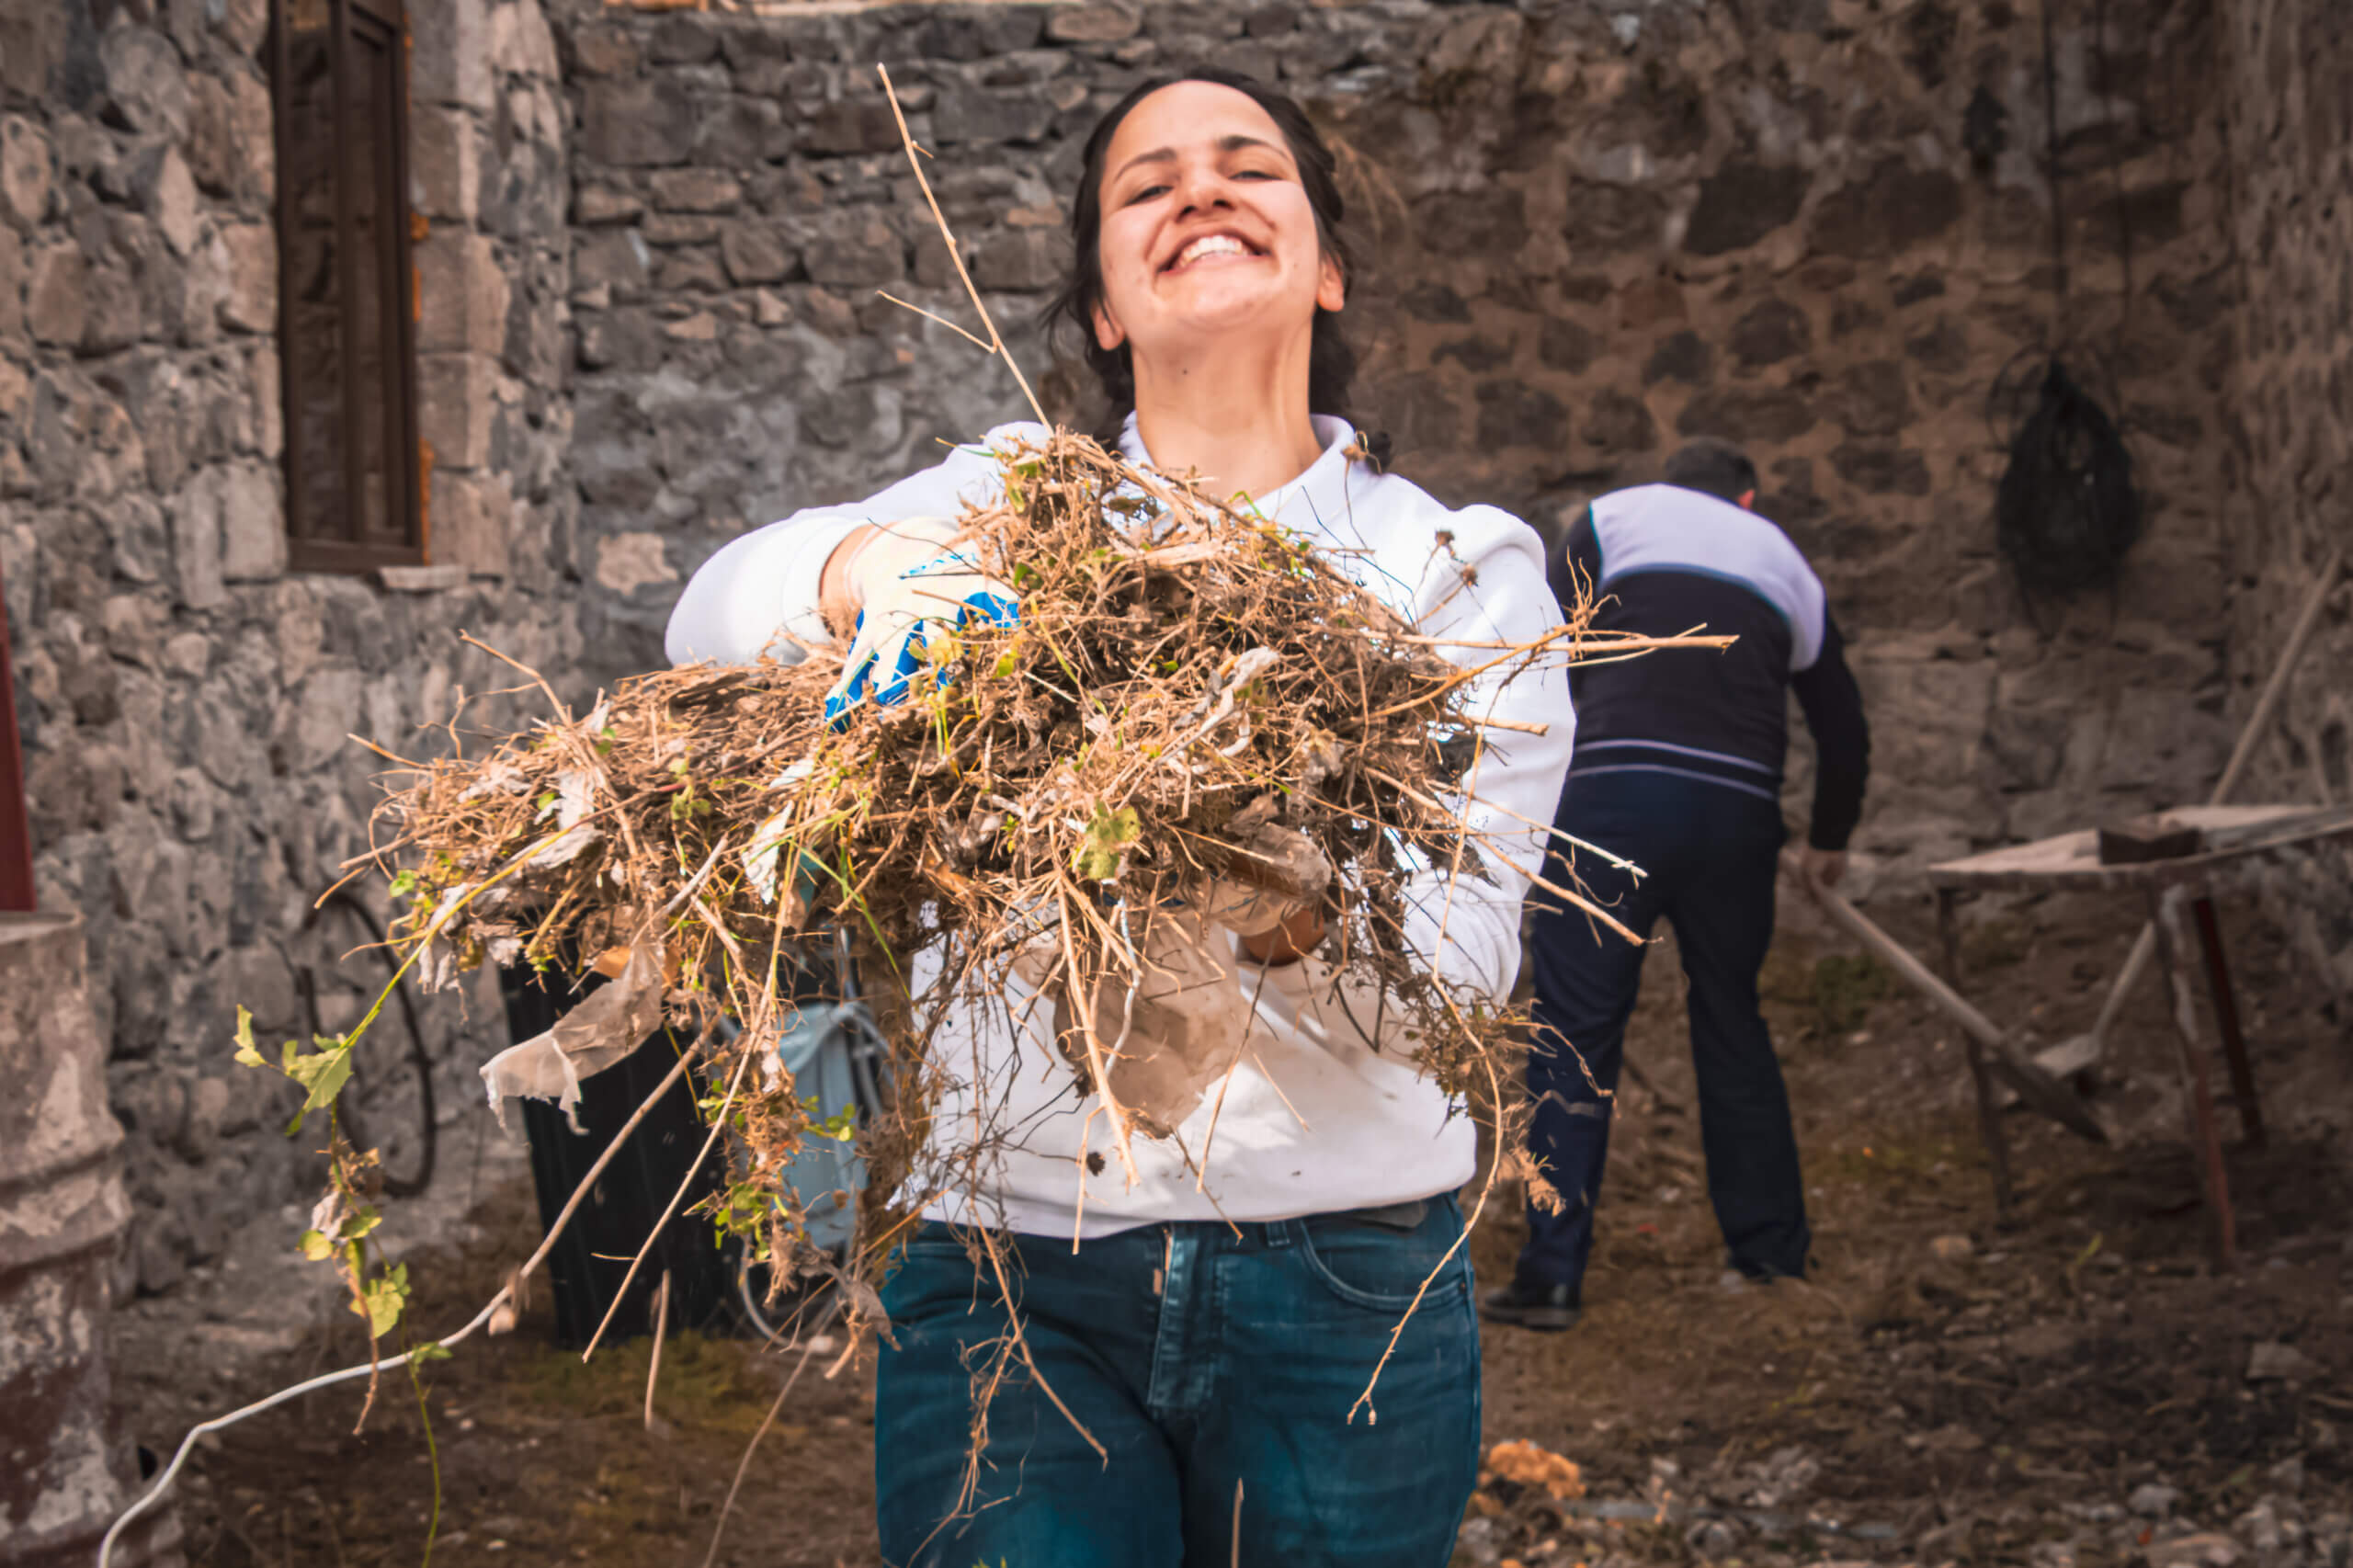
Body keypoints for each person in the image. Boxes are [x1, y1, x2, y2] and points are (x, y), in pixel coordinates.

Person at [662, 71, 1573, 1567]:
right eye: (1145, 186)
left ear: (1327, 265)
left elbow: (1450, 982)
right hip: (1011, 1267)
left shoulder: (1455, 575)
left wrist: (1256, 873)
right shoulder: (1017, 510)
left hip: (1344, 1281)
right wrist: (878, 574)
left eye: (1244, 167)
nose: (1198, 192)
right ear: (1100, 304)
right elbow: (707, 616)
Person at [1479, 438, 1870, 1333]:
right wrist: (1831, 840)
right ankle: (1768, 1255)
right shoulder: (1784, 559)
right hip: (1736, 814)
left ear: (1665, 480)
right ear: (1747, 495)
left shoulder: (1610, 518)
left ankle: (1551, 1276)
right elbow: (1842, 726)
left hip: (1611, 802)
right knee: (1731, 1017)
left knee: (1574, 1034)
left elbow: (1539, 656)